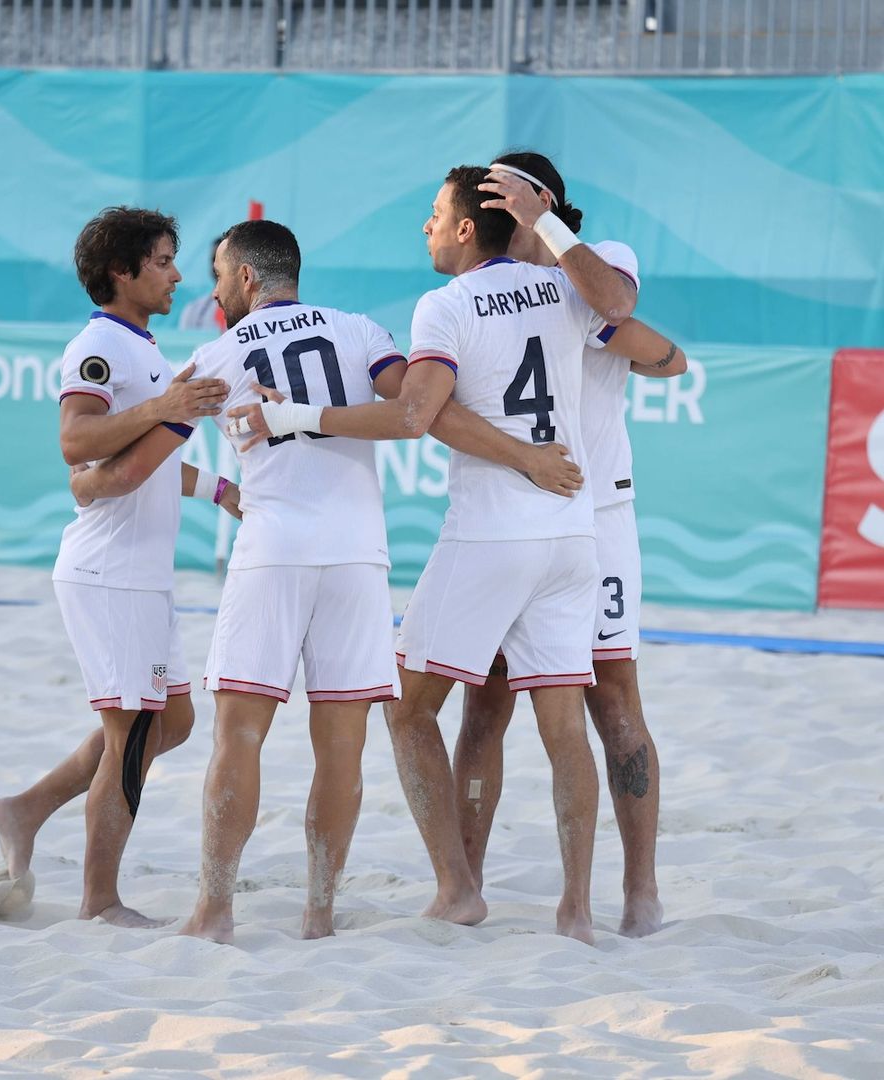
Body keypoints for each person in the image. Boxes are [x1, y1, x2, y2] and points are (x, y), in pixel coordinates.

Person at [70, 218, 586, 943]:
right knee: (341, 744)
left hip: (273, 549)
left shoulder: (220, 353)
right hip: (357, 557)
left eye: (218, 273)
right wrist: (523, 455)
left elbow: (130, 467)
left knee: (240, 737)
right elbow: (423, 412)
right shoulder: (362, 331)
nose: (212, 287)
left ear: (247, 278)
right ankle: (319, 915)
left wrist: (89, 481)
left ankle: (214, 912)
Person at [228, 166, 639, 943]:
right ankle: (577, 911)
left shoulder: (445, 305)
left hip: (492, 534)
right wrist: (546, 223)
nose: (424, 226)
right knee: (563, 729)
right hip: (572, 530)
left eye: (433, 214)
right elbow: (624, 309)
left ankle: (457, 888)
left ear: (462, 230)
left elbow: (415, 415)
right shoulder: (562, 285)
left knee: (408, 708)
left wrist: (296, 420)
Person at [451, 152, 686, 938]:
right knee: (484, 704)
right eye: (492, 196)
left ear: (538, 196)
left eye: (505, 192)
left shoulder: (597, 260)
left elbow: (633, 322)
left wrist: (541, 218)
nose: (497, 204)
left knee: (612, 697)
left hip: (597, 512)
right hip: (512, 513)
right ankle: (467, 884)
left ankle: (640, 893)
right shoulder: (478, 289)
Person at [0, 205, 234, 928]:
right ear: (121, 271)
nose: (178, 274)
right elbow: (77, 440)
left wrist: (223, 491)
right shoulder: (97, 346)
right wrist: (167, 404)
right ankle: (100, 902)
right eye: (162, 261)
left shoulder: (145, 348)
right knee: (131, 733)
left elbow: (146, 464)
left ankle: (25, 809)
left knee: (173, 721)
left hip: (142, 573)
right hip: (108, 571)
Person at [178, 235, 227, 332]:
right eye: (214, 259)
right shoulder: (193, 311)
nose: (217, 266)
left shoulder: (252, 312)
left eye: (224, 259)